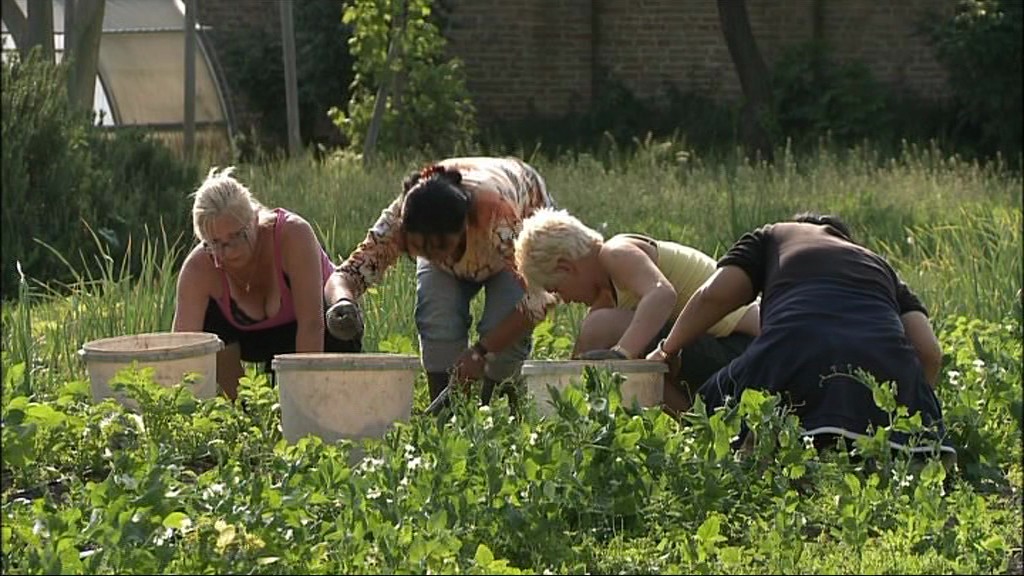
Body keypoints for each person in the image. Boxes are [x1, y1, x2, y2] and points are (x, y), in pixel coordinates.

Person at [647, 213, 954, 458]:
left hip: (792, 355)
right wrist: (907, 404)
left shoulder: (774, 236)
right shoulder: (880, 266)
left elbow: (715, 296)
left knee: (708, 408)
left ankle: (735, 453)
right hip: (885, 379)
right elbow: (929, 352)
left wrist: (667, 349)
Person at [324, 156, 556, 407]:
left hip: (518, 222)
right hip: (472, 228)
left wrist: (481, 351)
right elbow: (346, 275)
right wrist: (343, 304)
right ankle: (444, 415)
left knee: (503, 328)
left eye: (441, 246)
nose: (433, 255)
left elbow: (539, 298)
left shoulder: (497, 218)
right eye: (420, 248)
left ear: (465, 227)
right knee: (436, 316)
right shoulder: (400, 219)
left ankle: (501, 413)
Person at [513, 208, 760, 413]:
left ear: (566, 266)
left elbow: (662, 294)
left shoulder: (616, 252)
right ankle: (695, 429)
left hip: (744, 349)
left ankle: (694, 429)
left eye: (556, 288)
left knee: (602, 327)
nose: (564, 299)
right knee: (599, 333)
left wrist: (621, 356)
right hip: (714, 357)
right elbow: (581, 361)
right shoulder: (608, 299)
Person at [172, 167, 360, 400]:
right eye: (215, 243)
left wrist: (300, 404)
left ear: (255, 219)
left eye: (236, 237)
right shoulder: (199, 268)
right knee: (209, 324)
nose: (227, 253)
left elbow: (312, 325)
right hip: (252, 340)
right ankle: (244, 410)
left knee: (334, 331)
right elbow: (181, 350)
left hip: (317, 331)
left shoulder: (293, 235)